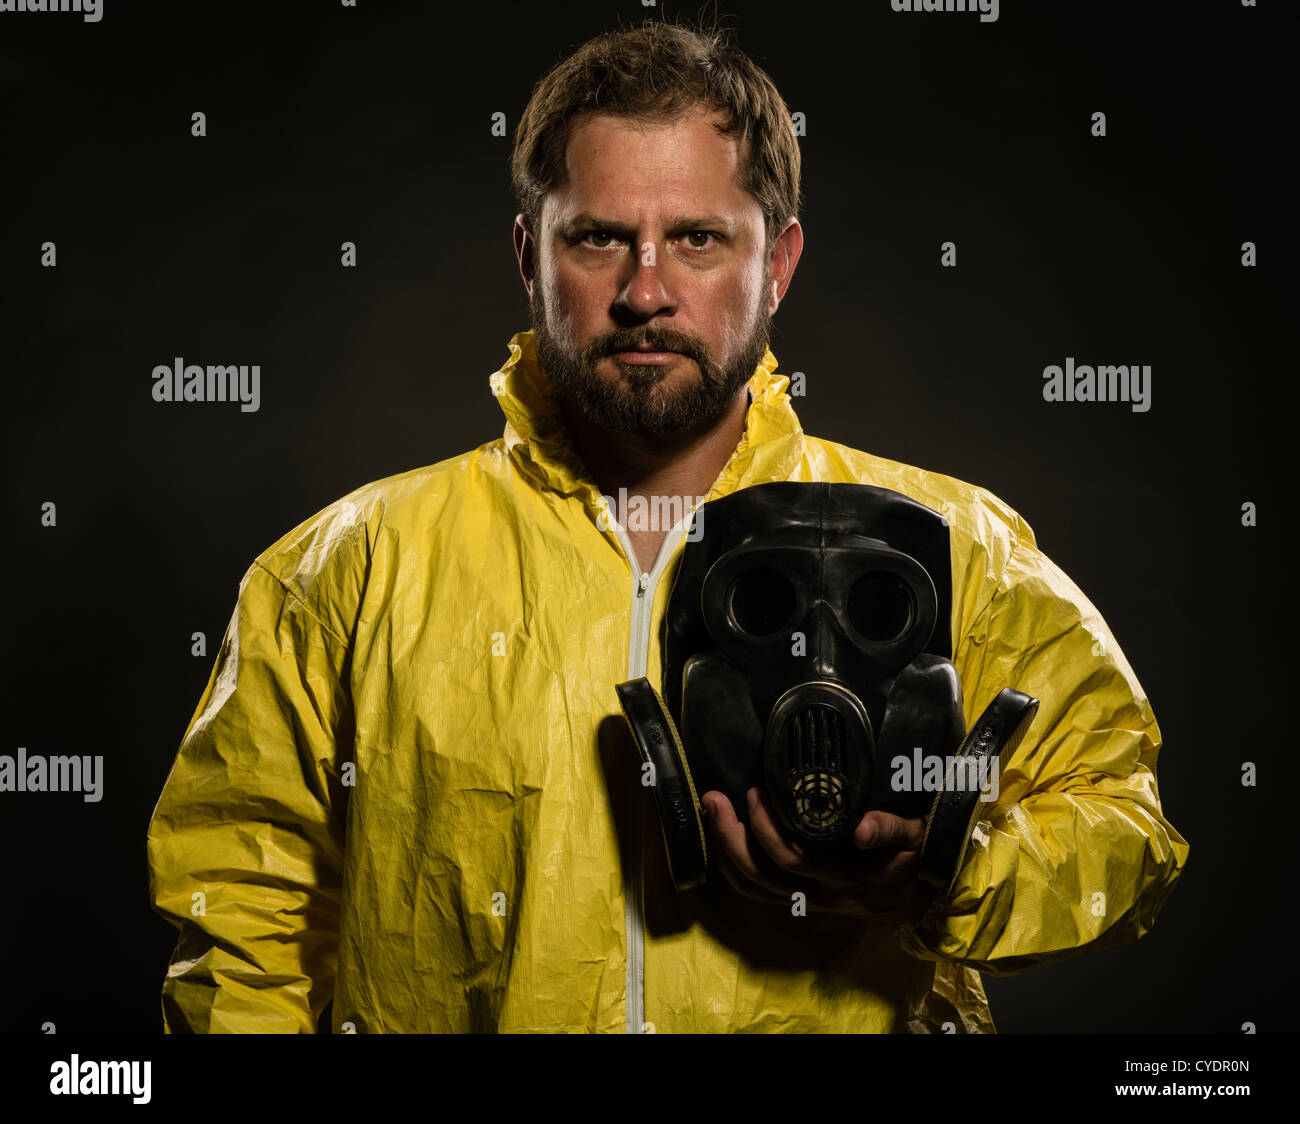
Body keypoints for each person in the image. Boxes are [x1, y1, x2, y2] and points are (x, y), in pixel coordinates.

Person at [146, 20, 1187, 1033]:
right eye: (599, 237)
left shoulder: (941, 546)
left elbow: (1125, 829)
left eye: (696, 238)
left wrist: (949, 864)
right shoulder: (344, 570)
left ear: (775, 264)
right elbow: (241, 920)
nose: (645, 291)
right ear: (528, 256)